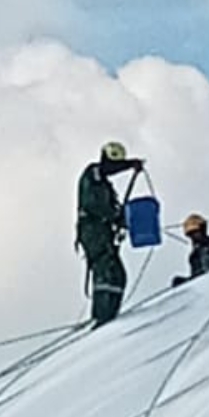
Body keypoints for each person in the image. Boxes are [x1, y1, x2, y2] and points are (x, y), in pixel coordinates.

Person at [76, 140, 144, 327]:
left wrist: (120, 219)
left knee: (116, 273)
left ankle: (110, 313)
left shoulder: (105, 186)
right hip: (92, 231)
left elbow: (110, 209)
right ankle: (102, 315)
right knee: (106, 269)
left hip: (103, 232)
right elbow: (94, 204)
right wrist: (129, 165)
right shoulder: (92, 173)